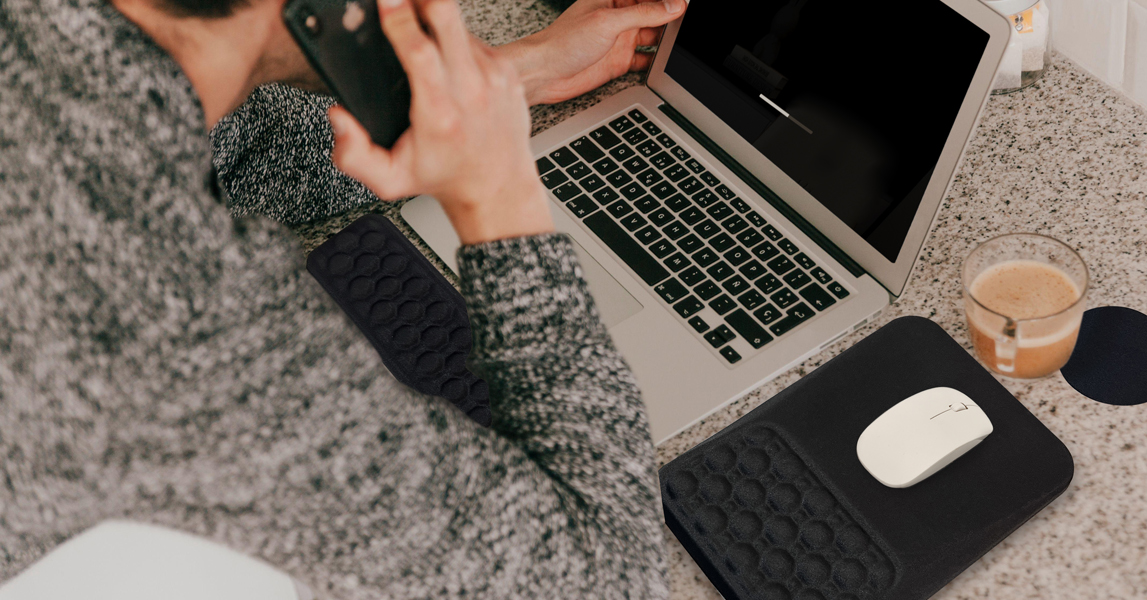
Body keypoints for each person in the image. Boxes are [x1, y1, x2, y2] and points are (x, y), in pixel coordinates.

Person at [0, 0, 685, 596]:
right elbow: (606, 578)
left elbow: (235, 163)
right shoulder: (164, 304)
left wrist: (505, 82)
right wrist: (498, 191)